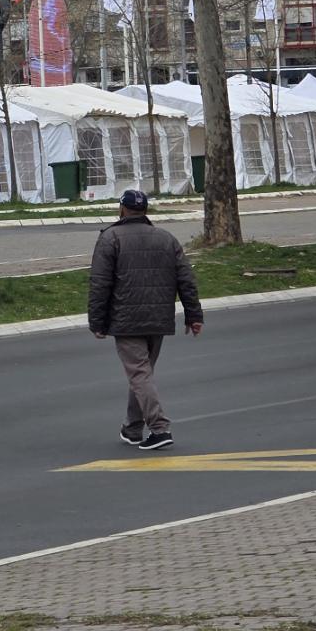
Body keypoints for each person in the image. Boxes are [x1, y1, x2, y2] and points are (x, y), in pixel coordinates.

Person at [88, 188, 203, 453]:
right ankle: (132, 428)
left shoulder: (110, 238)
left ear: (122, 209)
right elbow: (186, 279)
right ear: (146, 210)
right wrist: (193, 315)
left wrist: (97, 322)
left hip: (126, 319)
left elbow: (100, 284)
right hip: (159, 319)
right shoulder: (166, 238)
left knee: (139, 373)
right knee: (142, 373)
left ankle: (160, 428)